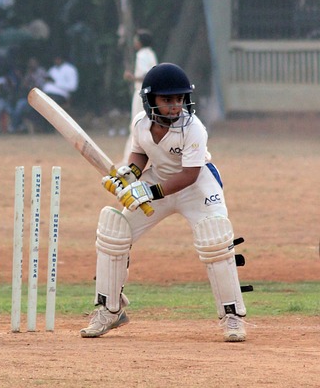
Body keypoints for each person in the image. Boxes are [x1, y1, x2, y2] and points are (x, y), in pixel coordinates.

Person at [81, 63, 249, 342]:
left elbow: (190, 175)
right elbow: (139, 153)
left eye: (180, 99)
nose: (175, 106)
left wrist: (148, 192)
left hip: (195, 186)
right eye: (167, 100)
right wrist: (130, 173)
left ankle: (232, 316)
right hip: (157, 179)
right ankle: (109, 309)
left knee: (215, 238)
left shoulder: (194, 128)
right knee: (115, 229)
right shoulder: (140, 124)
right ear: (150, 101)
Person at [121, 29, 157, 162]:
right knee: (148, 125)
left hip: (141, 93)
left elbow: (145, 75)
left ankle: (128, 160)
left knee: (135, 125)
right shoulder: (151, 54)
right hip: (151, 94)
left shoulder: (141, 54)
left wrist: (131, 77)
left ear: (140, 42)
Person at [25, 54, 78, 132]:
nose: (57, 61)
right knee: (36, 103)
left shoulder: (70, 69)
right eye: (55, 59)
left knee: (49, 104)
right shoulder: (52, 70)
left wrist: (56, 83)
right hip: (47, 93)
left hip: (61, 95)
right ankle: (40, 127)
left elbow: (73, 86)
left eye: (58, 59)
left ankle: (50, 128)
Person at [9, 56, 48, 133]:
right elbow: (23, 86)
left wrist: (33, 81)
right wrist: (26, 77)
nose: (32, 65)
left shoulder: (41, 72)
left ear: (37, 63)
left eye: (33, 63)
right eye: (30, 63)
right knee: (19, 106)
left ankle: (44, 129)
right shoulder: (29, 72)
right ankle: (15, 127)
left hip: (41, 98)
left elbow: (41, 86)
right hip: (29, 98)